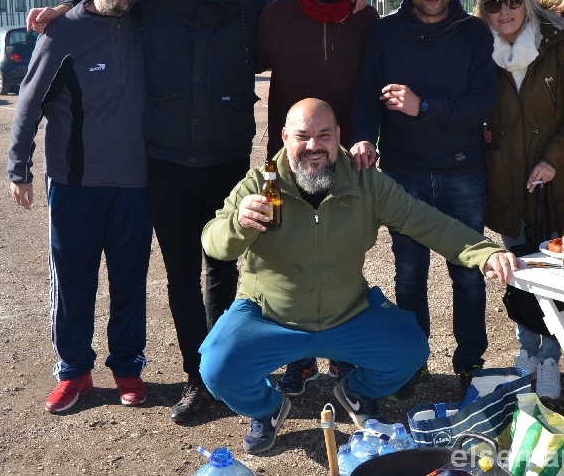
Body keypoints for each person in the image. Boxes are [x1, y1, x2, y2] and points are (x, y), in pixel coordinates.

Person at [27, 0, 273, 422]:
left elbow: (303, 17)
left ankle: (223, 372)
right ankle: (196, 378)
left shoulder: (252, 4)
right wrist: (66, 5)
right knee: (181, 276)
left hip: (227, 159)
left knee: (224, 270)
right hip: (166, 164)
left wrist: (354, 0)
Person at [197, 99, 520, 453]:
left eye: (324, 135)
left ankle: (356, 390)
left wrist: (483, 251)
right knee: (216, 368)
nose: (314, 146)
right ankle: (267, 408)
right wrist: (238, 222)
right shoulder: (260, 184)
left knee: (410, 350)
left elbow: (424, 220)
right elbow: (214, 243)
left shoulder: (366, 182)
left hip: (346, 313)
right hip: (271, 316)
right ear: (285, 136)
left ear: (339, 136)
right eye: (303, 136)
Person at [350, 0, 499, 393]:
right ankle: (413, 362)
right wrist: (363, 136)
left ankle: (470, 363)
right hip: (404, 173)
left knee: (468, 275)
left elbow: (482, 104)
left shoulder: (474, 33)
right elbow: (366, 95)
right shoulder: (384, 33)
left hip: (462, 172)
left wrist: (424, 107)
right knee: (409, 276)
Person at [8, 0, 152, 413]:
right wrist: (19, 167)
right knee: (73, 282)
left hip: (136, 185)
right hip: (75, 184)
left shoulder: (144, 22)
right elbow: (29, 101)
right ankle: (74, 372)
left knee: (129, 282)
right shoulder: (64, 31)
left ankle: (127, 367)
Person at [255, 0, 380, 397]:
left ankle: (343, 352)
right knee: (290, 258)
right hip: (288, 161)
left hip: (346, 160)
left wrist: (366, 138)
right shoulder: (275, 16)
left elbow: (376, 85)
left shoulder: (368, 20)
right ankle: (299, 358)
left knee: (343, 256)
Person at [474, 0, 564, 400]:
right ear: (484, 11)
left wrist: (551, 160)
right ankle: (527, 350)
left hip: (556, 182)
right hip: (509, 183)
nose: (504, 11)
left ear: (525, 3)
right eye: (494, 4)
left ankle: (550, 357)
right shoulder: (479, 51)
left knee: (559, 275)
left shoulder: (558, 46)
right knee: (520, 273)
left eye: (513, 1)